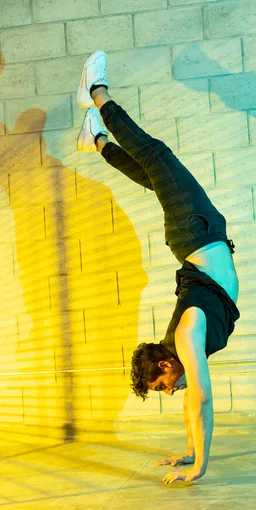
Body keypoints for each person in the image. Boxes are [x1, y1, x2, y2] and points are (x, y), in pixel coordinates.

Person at [76, 51, 240, 484]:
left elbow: (199, 400)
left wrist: (198, 467)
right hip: (200, 234)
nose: (173, 392)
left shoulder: (186, 337)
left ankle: (96, 92)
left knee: (155, 155)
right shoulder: (188, 345)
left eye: (164, 387)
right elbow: (194, 401)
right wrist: (188, 453)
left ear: (165, 367)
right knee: (154, 174)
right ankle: (96, 141)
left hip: (194, 231)